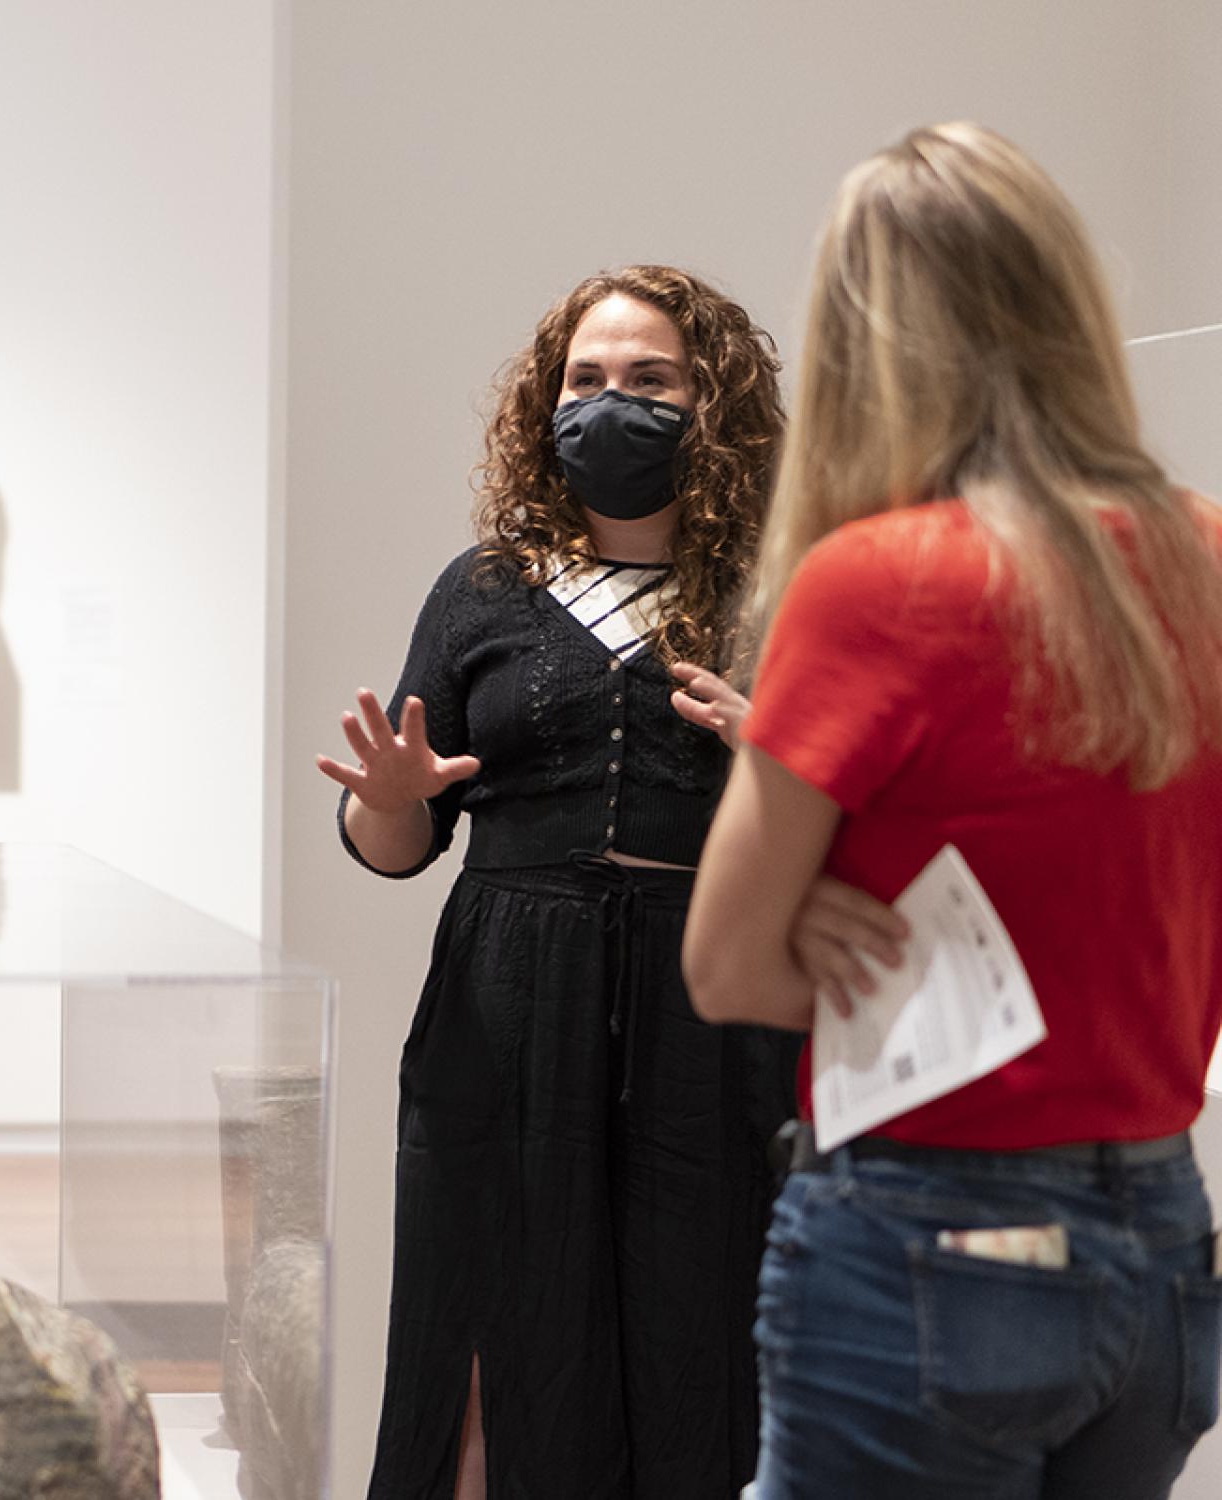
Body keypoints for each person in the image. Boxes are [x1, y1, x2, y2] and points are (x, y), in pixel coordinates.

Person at [684, 122, 1222, 1500]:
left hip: (926, 1237)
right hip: (1162, 1241)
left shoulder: (875, 581)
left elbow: (727, 965)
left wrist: (803, 911)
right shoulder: (1207, 555)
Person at [318, 265, 797, 1499]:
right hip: (508, 999)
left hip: (711, 994)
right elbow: (398, 847)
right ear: (547, 401)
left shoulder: (778, 594)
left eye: (651, 381)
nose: (610, 403)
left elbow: (849, 836)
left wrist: (782, 760)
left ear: (716, 405)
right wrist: (393, 795)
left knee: (701, 1321)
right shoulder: (483, 589)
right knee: (491, 1322)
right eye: (586, 380)